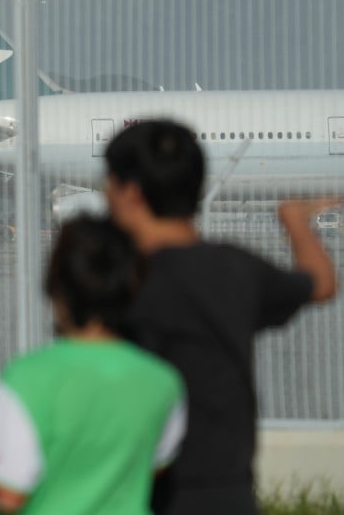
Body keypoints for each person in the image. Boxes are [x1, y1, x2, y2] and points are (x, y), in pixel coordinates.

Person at [104, 119, 338, 514]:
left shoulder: (119, 280)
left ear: (130, 193)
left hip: (144, 487)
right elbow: (321, 284)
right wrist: (295, 221)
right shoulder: (234, 268)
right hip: (229, 491)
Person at [0, 216, 186, 514]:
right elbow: (155, 467)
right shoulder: (163, 381)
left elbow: (9, 495)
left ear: (55, 286)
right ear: (132, 286)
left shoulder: (24, 378)